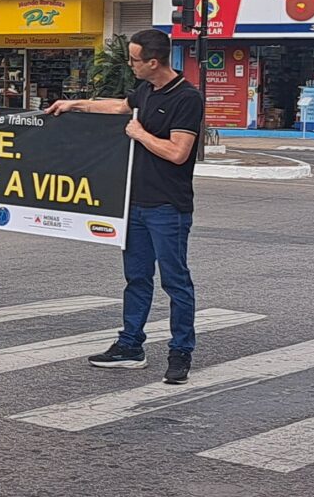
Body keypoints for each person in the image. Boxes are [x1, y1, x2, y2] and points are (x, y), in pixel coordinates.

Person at [47, 29, 204, 385]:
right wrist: (74, 105)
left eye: (134, 60)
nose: (130, 64)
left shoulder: (186, 98)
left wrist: (141, 134)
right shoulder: (146, 90)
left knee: (175, 281)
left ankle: (181, 352)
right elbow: (120, 106)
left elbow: (178, 153)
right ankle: (130, 345)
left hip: (168, 206)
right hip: (134, 204)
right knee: (136, 278)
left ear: (153, 62)